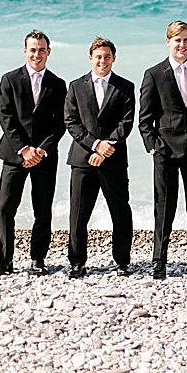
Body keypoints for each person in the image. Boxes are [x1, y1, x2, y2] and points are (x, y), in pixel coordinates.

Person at [139, 21, 187, 279]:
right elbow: (145, 119)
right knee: (164, 207)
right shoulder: (154, 74)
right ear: (168, 42)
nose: (181, 45)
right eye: (177, 40)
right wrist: (153, 146)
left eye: (185, 40)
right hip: (165, 152)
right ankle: (159, 261)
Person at [0, 31, 66, 276]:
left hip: (44, 156)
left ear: (48, 52)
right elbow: (6, 117)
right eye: (32, 49)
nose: (37, 54)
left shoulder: (57, 84)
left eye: (41, 49)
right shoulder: (9, 79)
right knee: (5, 207)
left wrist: (41, 149)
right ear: (25, 51)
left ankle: (38, 259)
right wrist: (24, 149)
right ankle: (5, 260)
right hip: (15, 154)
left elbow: (60, 123)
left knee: (42, 209)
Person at [64, 37, 136, 278]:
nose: (103, 60)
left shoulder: (125, 87)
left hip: (114, 159)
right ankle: (77, 262)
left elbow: (126, 123)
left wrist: (106, 148)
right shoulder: (75, 86)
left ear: (114, 58)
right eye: (98, 56)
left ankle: (123, 261)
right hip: (82, 159)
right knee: (78, 213)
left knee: (120, 211)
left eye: (107, 56)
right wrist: (95, 146)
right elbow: (71, 122)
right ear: (90, 58)